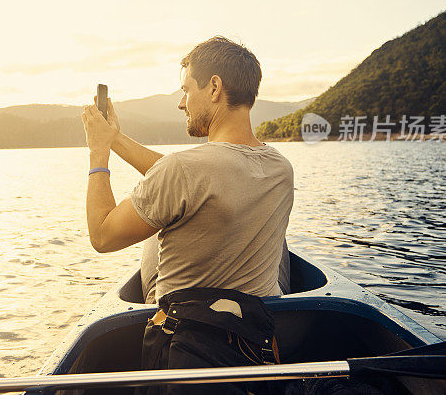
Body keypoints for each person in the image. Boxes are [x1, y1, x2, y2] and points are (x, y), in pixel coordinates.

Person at [80, 36, 294, 394]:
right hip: (253, 342)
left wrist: (98, 153)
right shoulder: (280, 168)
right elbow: (183, 176)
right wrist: (116, 138)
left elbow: (102, 236)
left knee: (154, 229)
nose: (181, 103)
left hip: (183, 344)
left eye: (186, 90)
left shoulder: (184, 171)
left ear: (214, 88)